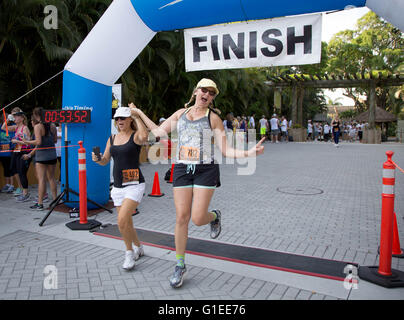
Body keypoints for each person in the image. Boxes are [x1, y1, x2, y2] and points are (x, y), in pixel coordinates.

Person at [130, 78, 265, 288]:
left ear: (212, 98)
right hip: (183, 169)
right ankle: (180, 264)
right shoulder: (180, 114)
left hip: (205, 169)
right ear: (196, 91)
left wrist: (249, 152)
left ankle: (214, 216)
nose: (207, 94)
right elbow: (157, 132)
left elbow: (226, 150)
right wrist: (138, 113)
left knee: (198, 218)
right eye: (205, 90)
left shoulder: (214, 119)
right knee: (182, 217)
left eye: (212, 93)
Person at [92, 105, 148, 271]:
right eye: (117, 118)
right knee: (127, 223)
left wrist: (137, 115)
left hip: (134, 184)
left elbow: (145, 136)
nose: (119, 121)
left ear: (129, 120)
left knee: (121, 220)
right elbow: (105, 161)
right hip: (117, 186)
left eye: (123, 118)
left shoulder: (135, 136)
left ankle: (129, 253)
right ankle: (138, 246)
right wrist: (97, 159)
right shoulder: (112, 138)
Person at [21, 107, 57, 210]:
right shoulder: (53, 125)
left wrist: (26, 142)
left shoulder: (38, 127)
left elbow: (38, 142)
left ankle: (40, 203)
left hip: (41, 156)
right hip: (52, 154)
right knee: (51, 178)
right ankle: (55, 201)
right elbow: (54, 140)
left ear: (37, 116)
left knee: (41, 180)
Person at [2, 107, 32, 202]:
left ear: (22, 118)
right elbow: (3, 128)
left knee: (22, 172)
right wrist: (8, 119)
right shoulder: (16, 127)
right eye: (14, 116)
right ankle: (23, 192)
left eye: (16, 116)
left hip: (23, 152)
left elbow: (28, 142)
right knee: (17, 170)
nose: (14, 118)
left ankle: (25, 193)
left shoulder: (25, 128)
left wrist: (17, 141)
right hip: (16, 151)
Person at [0, 113, 15, 193]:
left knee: (11, 168)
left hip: (10, 152)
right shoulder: (0, 127)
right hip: (2, 152)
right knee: (5, 168)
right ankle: (7, 184)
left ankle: (12, 185)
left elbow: (14, 137)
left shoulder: (12, 127)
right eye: (3, 119)